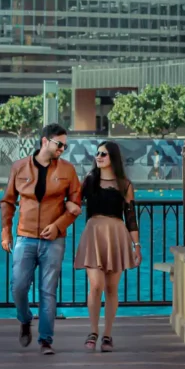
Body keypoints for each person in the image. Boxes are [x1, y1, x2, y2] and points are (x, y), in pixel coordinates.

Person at [0, 123, 82, 356]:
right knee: (18, 286)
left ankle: (46, 340)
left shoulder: (68, 170)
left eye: (65, 146)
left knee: (48, 290)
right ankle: (25, 319)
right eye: (59, 144)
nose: (62, 149)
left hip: (54, 240)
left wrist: (58, 227)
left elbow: (76, 206)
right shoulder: (19, 167)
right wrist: (5, 232)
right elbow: (7, 201)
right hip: (24, 237)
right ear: (45, 141)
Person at [73, 140, 141, 353]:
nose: (98, 157)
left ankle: (108, 335)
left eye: (103, 154)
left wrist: (136, 245)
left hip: (116, 235)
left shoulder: (125, 185)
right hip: (93, 233)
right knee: (96, 285)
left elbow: (131, 217)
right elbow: (73, 202)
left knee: (112, 288)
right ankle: (93, 331)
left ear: (113, 157)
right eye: (97, 153)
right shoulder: (90, 180)